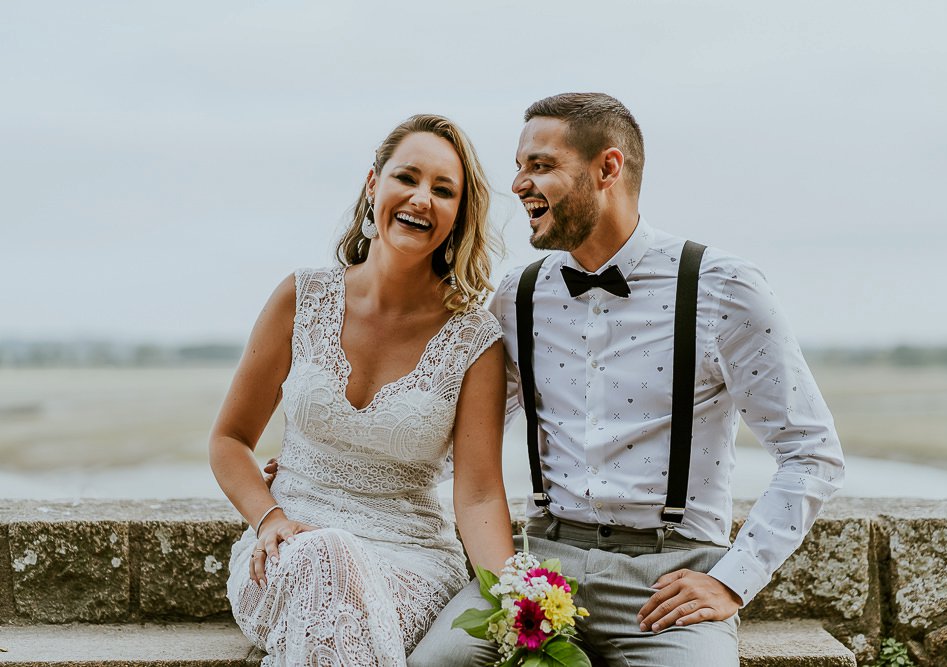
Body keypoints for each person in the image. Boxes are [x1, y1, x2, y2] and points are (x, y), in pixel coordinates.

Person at [409, 93, 846, 666]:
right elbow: (463, 440)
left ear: (607, 169)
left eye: (540, 166)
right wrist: (338, 461)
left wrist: (734, 579)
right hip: (541, 564)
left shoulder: (720, 289)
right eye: (519, 167)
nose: (518, 185)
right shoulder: (519, 295)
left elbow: (812, 453)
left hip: (670, 581)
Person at [209, 114, 515, 666]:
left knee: (334, 569)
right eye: (407, 177)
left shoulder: (475, 339)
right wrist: (270, 518)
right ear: (373, 184)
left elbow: (479, 496)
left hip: (410, 567)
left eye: (443, 190)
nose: (422, 198)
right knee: (322, 554)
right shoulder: (300, 298)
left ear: (457, 215)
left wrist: (516, 600)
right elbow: (229, 440)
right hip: (284, 555)